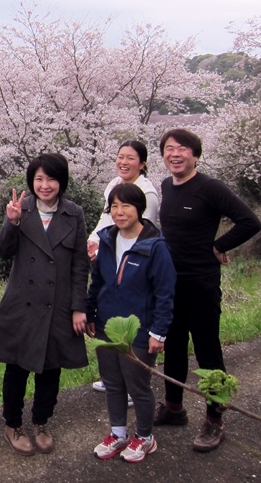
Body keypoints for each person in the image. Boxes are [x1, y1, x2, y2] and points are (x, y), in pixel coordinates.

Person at [154, 128, 261, 452]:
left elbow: (250, 221)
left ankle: (215, 419)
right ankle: (174, 408)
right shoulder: (166, 187)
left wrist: (220, 245)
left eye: (182, 149)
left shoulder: (210, 188)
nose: (175, 154)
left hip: (201, 283)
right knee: (172, 346)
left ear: (195, 155)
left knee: (207, 351)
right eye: (169, 149)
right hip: (172, 284)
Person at [0, 153, 90, 456]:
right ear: (32, 181)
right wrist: (12, 222)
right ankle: (13, 424)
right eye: (39, 179)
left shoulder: (74, 214)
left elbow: (80, 264)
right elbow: (3, 252)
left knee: (50, 369)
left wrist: (79, 306)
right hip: (23, 303)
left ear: (62, 181)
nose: (45, 185)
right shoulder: (21, 209)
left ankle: (42, 422)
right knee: (17, 369)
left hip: (56, 304)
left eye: (52, 179)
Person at [86, 183, 176, 464]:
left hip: (139, 329)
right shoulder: (107, 240)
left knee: (138, 387)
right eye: (114, 206)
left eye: (126, 206)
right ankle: (118, 432)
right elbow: (97, 282)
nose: (119, 212)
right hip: (107, 326)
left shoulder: (155, 246)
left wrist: (158, 333)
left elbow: (165, 292)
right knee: (113, 383)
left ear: (139, 209)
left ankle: (145, 437)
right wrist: (90, 313)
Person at [88, 140, 159, 394]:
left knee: (133, 317)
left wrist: (113, 251)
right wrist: (94, 242)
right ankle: (113, 378)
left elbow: (143, 232)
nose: (123, 162)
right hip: (109, 256)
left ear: (142, 163)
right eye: (120, 157)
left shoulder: (146, 193)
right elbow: (104, 220)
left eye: (130, 158)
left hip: (134, 264)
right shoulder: (114, 185)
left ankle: (133, 385)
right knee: (110, 311)